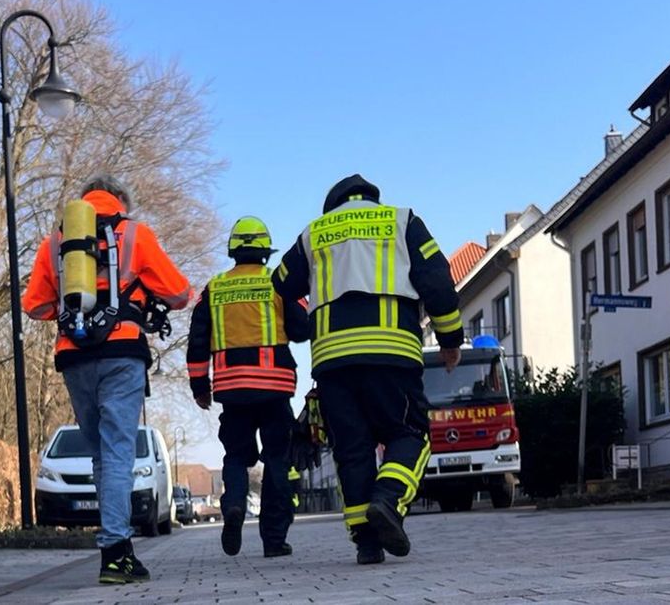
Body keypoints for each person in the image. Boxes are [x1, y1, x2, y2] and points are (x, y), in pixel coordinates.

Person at [272, 175, 462, 566]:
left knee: (352, 449)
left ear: (333, 204)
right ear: (372, 198)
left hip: (332, 360)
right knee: (409, 433)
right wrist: (449, 340)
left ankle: (367, 543)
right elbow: (438, 281)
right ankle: (388, 500)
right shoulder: (403, 220)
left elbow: (282, 283)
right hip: (391, 351)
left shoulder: (316, 232)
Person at [24, 176, 192, 585]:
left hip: (74, 356)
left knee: (101, 453)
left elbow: (34, 305)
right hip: (121, 353)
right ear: (120, 200)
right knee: (118, 452)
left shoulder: (56, 243)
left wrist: (73, 310)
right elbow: (180, 293)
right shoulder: (133, 233)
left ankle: (114, 545)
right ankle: (116, 551)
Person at [185, 217, 309, 558]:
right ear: (265, 252)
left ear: (233, 252)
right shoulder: (280, 284)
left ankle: (235, 505)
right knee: (278, 461)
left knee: (236, 455)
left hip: (231, 390)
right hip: (275, 387)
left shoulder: (214, 289)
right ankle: (274, 540)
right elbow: (301, 329)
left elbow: (196, 342)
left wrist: (200, 386)